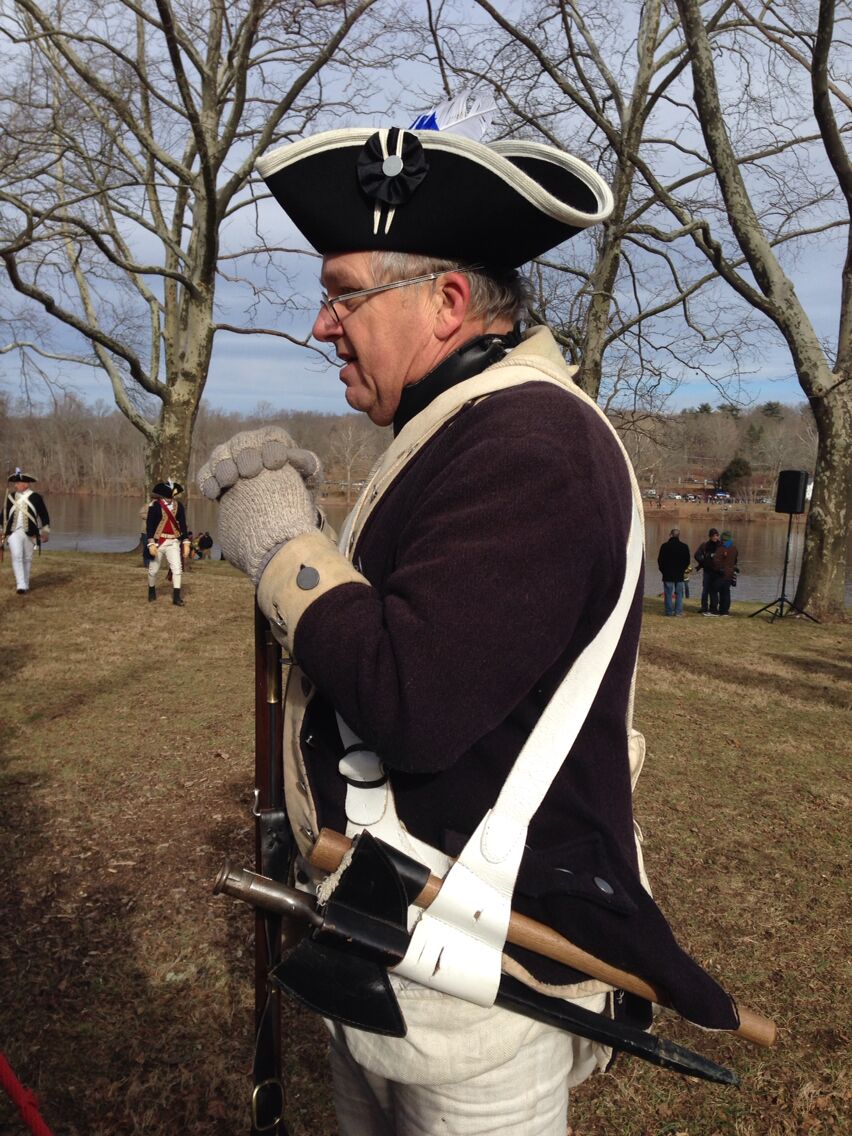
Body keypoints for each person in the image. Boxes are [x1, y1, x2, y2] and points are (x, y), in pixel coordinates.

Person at [198, 102, 739, 1134]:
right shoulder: (459, 428)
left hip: (481, 1008)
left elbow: (416, 692)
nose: (322, 325)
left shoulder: (531, 440)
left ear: (447, 301)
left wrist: (284, 552)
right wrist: (307, 537)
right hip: (401, 960)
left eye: (344, 295)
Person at [1, 469, 50, 595]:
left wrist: (45, 532)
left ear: (26, 484)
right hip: (13, 532)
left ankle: (25, 582)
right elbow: (3, 515)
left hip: (31, 533)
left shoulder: (36, 497)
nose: (15, 485)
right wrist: (1, 531)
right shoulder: (10, 497)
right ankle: (20, 585)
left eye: (18, 483)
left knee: (27, 558)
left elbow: (44, 515)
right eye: (15, 483)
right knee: (17, 555)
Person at [145, 479, 190, 606]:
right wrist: (151, 543)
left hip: (173, 542)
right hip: (158, 542)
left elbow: (183, 525)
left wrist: (186, 541)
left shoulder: (179, 506)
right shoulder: (154, 506)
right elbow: (150, 526)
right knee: (153, 570)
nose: (170, 499)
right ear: (163, 495)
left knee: (177, 569)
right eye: (167, 496)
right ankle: (151, 590)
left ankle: (176, 597)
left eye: (171, 496)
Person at [656, 527, 691, 616]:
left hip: (667, 574)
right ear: (678, 536)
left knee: (668, 593)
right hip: (679, 574)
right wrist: (682, 570)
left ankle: (669, 611)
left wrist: (663, 571)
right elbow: (687, 561)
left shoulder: (664, 546)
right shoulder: (684, 547)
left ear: (670, 535)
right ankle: (678, 611)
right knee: (679, 593)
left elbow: (660, 560)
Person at [707, 530, 739, 617]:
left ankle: (713, 610)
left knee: (713, 590)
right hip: (730, 574)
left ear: (722, 538)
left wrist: (717, 569)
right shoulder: (734, 548)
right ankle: (724, 611)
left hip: (720, 574)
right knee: (726, 592)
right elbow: (735, 560)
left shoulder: (721, 548)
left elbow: (715, 561)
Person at [694, 527, 721, 613]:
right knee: (705, 590)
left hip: (717, 572)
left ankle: (713, 608)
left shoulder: (721, 546)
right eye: (713, 536)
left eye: (716, 535)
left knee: (714, 590)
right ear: (710, 536)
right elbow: (696, 555)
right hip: (707, 571)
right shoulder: (704, 545)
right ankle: (704, 607)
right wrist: (704, 562)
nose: (715, 537)